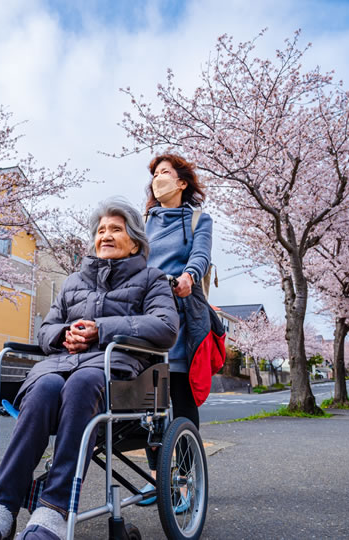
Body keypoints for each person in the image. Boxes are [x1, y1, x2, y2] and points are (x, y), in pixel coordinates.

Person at [0, 198, 179, 540]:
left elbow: (166, 326)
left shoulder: (152, 279)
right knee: (44, 387)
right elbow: (45, 330)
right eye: (101, 230)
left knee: (83, 383)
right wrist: (64, 335)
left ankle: (53, 511)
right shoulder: (74, 281)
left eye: (116, 229)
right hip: (61, 365)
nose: (106, 235)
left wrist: (101, 330)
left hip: (114, 372)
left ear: (135, 242)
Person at [137, 153, 212, 511]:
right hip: (146, 317)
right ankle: (158, 479)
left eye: (165, 173)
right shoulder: (142, 223)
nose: (158, 179)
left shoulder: (198, 218)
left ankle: (186, 482)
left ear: (182, 182)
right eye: (154, 174)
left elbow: (200, 256)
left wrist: (188, 277)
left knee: (181, 402)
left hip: (181, 316)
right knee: (148, 407)